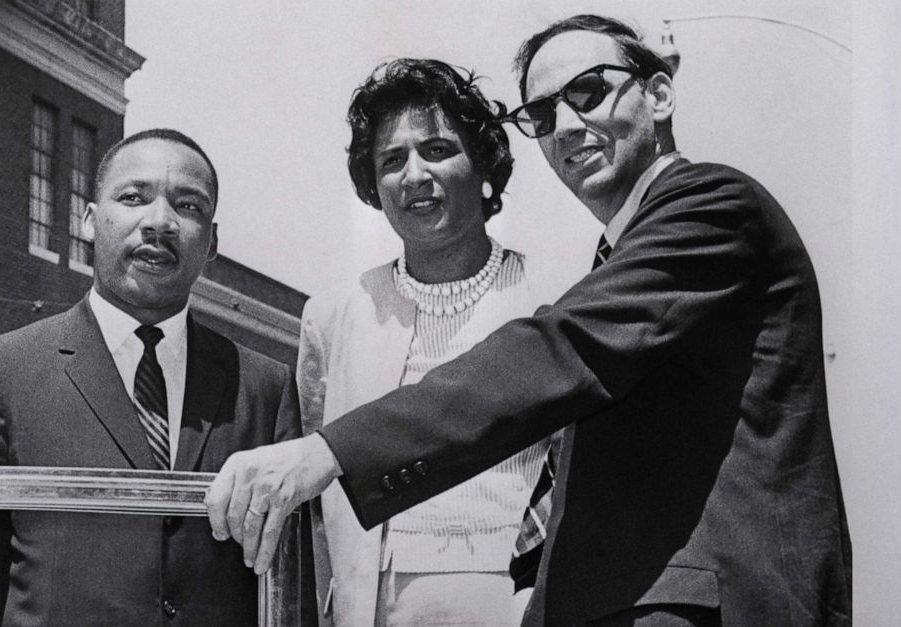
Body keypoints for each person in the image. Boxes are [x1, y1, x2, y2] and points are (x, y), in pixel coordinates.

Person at [205, 15, 851, 626]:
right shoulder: (618, 254)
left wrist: (328, 450)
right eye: (542, 114)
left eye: (589, 92)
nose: (567, 125)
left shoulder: (712, 207)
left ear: (658, 94)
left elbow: (559, 351)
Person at [0, 128, 300, 626]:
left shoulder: (265, 389)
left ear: (212, 243)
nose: (158, 221)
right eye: (133, 197)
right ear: (91, 221)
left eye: (188, 206)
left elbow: (290, 595)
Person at [298, 58, 560, 626]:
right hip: (371, 604)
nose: (414, 174)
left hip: (519, 599)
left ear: (484, 166)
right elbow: (321, 502)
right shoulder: (333, 317)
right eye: (392, 160)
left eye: (437, 150)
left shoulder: (552, 298)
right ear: (374, 186)